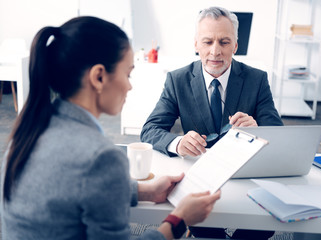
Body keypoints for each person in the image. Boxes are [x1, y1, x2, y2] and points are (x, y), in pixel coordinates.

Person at [0, 16, 221, 240]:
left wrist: (143, 191)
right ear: (98, 77)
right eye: (127, 74)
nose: (130, 85)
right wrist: (180, 219)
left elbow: (71, 189)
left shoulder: (29, 130)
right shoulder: (100, 156)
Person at [141, 6, 282, 239]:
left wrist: (258, 128)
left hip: (245, 176)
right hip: (200, 177)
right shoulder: (177, 80)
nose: (215, 51)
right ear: (196, 44)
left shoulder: (257, 79)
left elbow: (278, 135)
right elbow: (150, 130)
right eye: (207, 42)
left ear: (235, 46)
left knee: (261, 226)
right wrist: (177, 143)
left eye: (224, 42)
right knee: (205, 228)